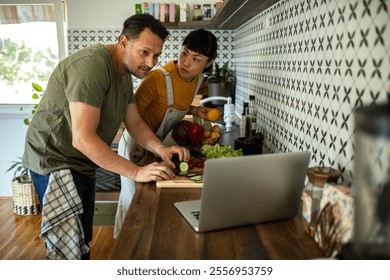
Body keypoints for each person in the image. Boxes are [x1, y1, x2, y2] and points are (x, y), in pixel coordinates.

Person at [22, 14, 189, 260]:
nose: (150, 62)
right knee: (69, 248)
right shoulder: (92, 66)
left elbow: (133, 122)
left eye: (156, 55)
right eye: (144, 52)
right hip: (56, 162)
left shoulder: (123, 74)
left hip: (82, 162)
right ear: (124, 42)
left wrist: (160, 149)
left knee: (80, 240)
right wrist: (136, 172)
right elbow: (83, 139)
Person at [114, 29, 218, 238]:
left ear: (207, 63)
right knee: (134, 199)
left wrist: (196, 110)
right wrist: (150, 149)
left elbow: (174, 106)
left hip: (157, 145)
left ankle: (147, 241)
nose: (186, 61)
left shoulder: (198, 80)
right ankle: (127, 245)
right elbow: (131, 116)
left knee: (150, 199)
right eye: (184, 53)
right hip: (136, 146)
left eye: (195, 58)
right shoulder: (158, 78)